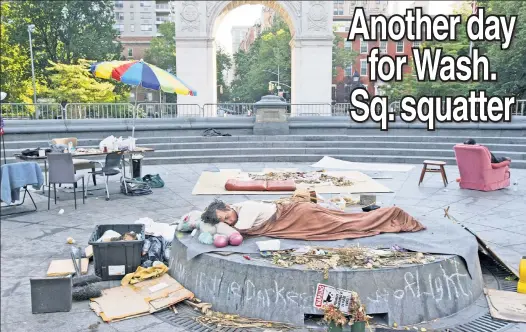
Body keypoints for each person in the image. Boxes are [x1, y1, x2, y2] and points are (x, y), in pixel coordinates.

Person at [201, 199, 425, 241]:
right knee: (346, 219)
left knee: (349, 223)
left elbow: (240, 232)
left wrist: (219, 226)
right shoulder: (236, 210)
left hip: (301, 216)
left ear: (228, 207)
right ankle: (384, 214)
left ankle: (392, 214)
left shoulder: (245, 210)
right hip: (297, 216)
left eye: (226, 217)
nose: (229, 222)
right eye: (224, 221)